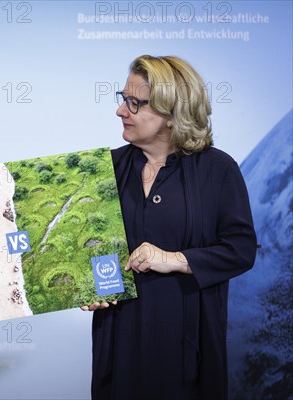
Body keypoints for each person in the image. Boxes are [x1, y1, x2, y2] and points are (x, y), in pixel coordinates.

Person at [82, 55, 257, 399]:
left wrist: (175, 258)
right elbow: (87, 247)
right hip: (119, 343)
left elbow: (241, 249)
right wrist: (87, 284)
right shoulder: (104, 169)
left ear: (172, 114)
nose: (121, 111)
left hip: (187, 346)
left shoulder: (218, 170)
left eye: (135, 103)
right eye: (123, 98)